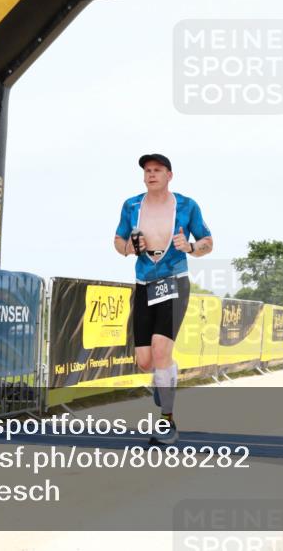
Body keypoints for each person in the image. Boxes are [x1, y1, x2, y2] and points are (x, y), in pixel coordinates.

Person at [114, 154, 213, 444]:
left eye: (157, 170)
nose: (151, 174)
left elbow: (208, 242)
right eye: (147, 170)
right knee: (145, 362)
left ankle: (167, 421)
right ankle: (166, 373)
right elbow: (118, 242)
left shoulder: (187, 205)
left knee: (159, 352)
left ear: (169, 175)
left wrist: (191, 247)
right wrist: (129, 248)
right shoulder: (131, 205)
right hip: (144, 283)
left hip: (174, 281)